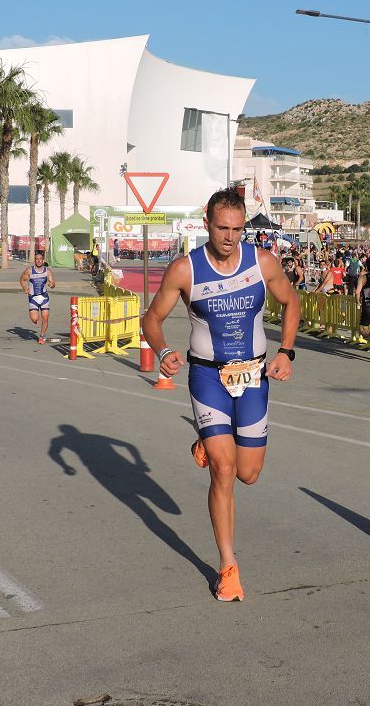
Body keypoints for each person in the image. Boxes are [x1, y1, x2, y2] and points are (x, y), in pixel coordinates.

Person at [142, 186, 300, 602]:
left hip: (253, 376)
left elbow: (291, 302)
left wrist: (286, 352)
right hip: (208, 378)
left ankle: (208, 441)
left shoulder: (263, 263)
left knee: (249, 474)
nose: (229, 236)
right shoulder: (185, 270)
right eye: (221, 227)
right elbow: (152, 319)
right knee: (224, 471)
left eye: (237, 228)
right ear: (207, 224)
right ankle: (228, 566)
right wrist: (163, 351)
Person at [19, 251, 56, 344]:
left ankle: (42, 336)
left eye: (40, 259)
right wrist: (25, 288)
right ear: (35, 261)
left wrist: (51, 284)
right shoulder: (29, 270)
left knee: (45, 318)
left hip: (44, 297)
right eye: (37, 259)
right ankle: (35, 318)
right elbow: (22, 280)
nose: (39, 261)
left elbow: (53, 283)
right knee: (34, 319)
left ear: (43, 260)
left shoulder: (47, 271)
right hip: (33, 298)